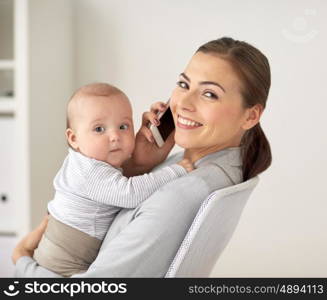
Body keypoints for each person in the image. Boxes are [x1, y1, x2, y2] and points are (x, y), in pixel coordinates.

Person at [12, 37, 272, 277]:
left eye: (209, 94)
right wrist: (139, 163)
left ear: (250, 116)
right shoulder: (204, 167)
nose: (184, 103)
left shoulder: (181, 191)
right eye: (183, 84)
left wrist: (22, 261)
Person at [31, 83, 194, 277]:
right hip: (63, 262)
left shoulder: (92, 162)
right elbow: (131, 194)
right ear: (73, 138)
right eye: (99, 129)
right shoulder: (89, 171)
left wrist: (142, 156)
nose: (115, 136)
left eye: (123, 126)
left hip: (61, 255)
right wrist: (176, 171)